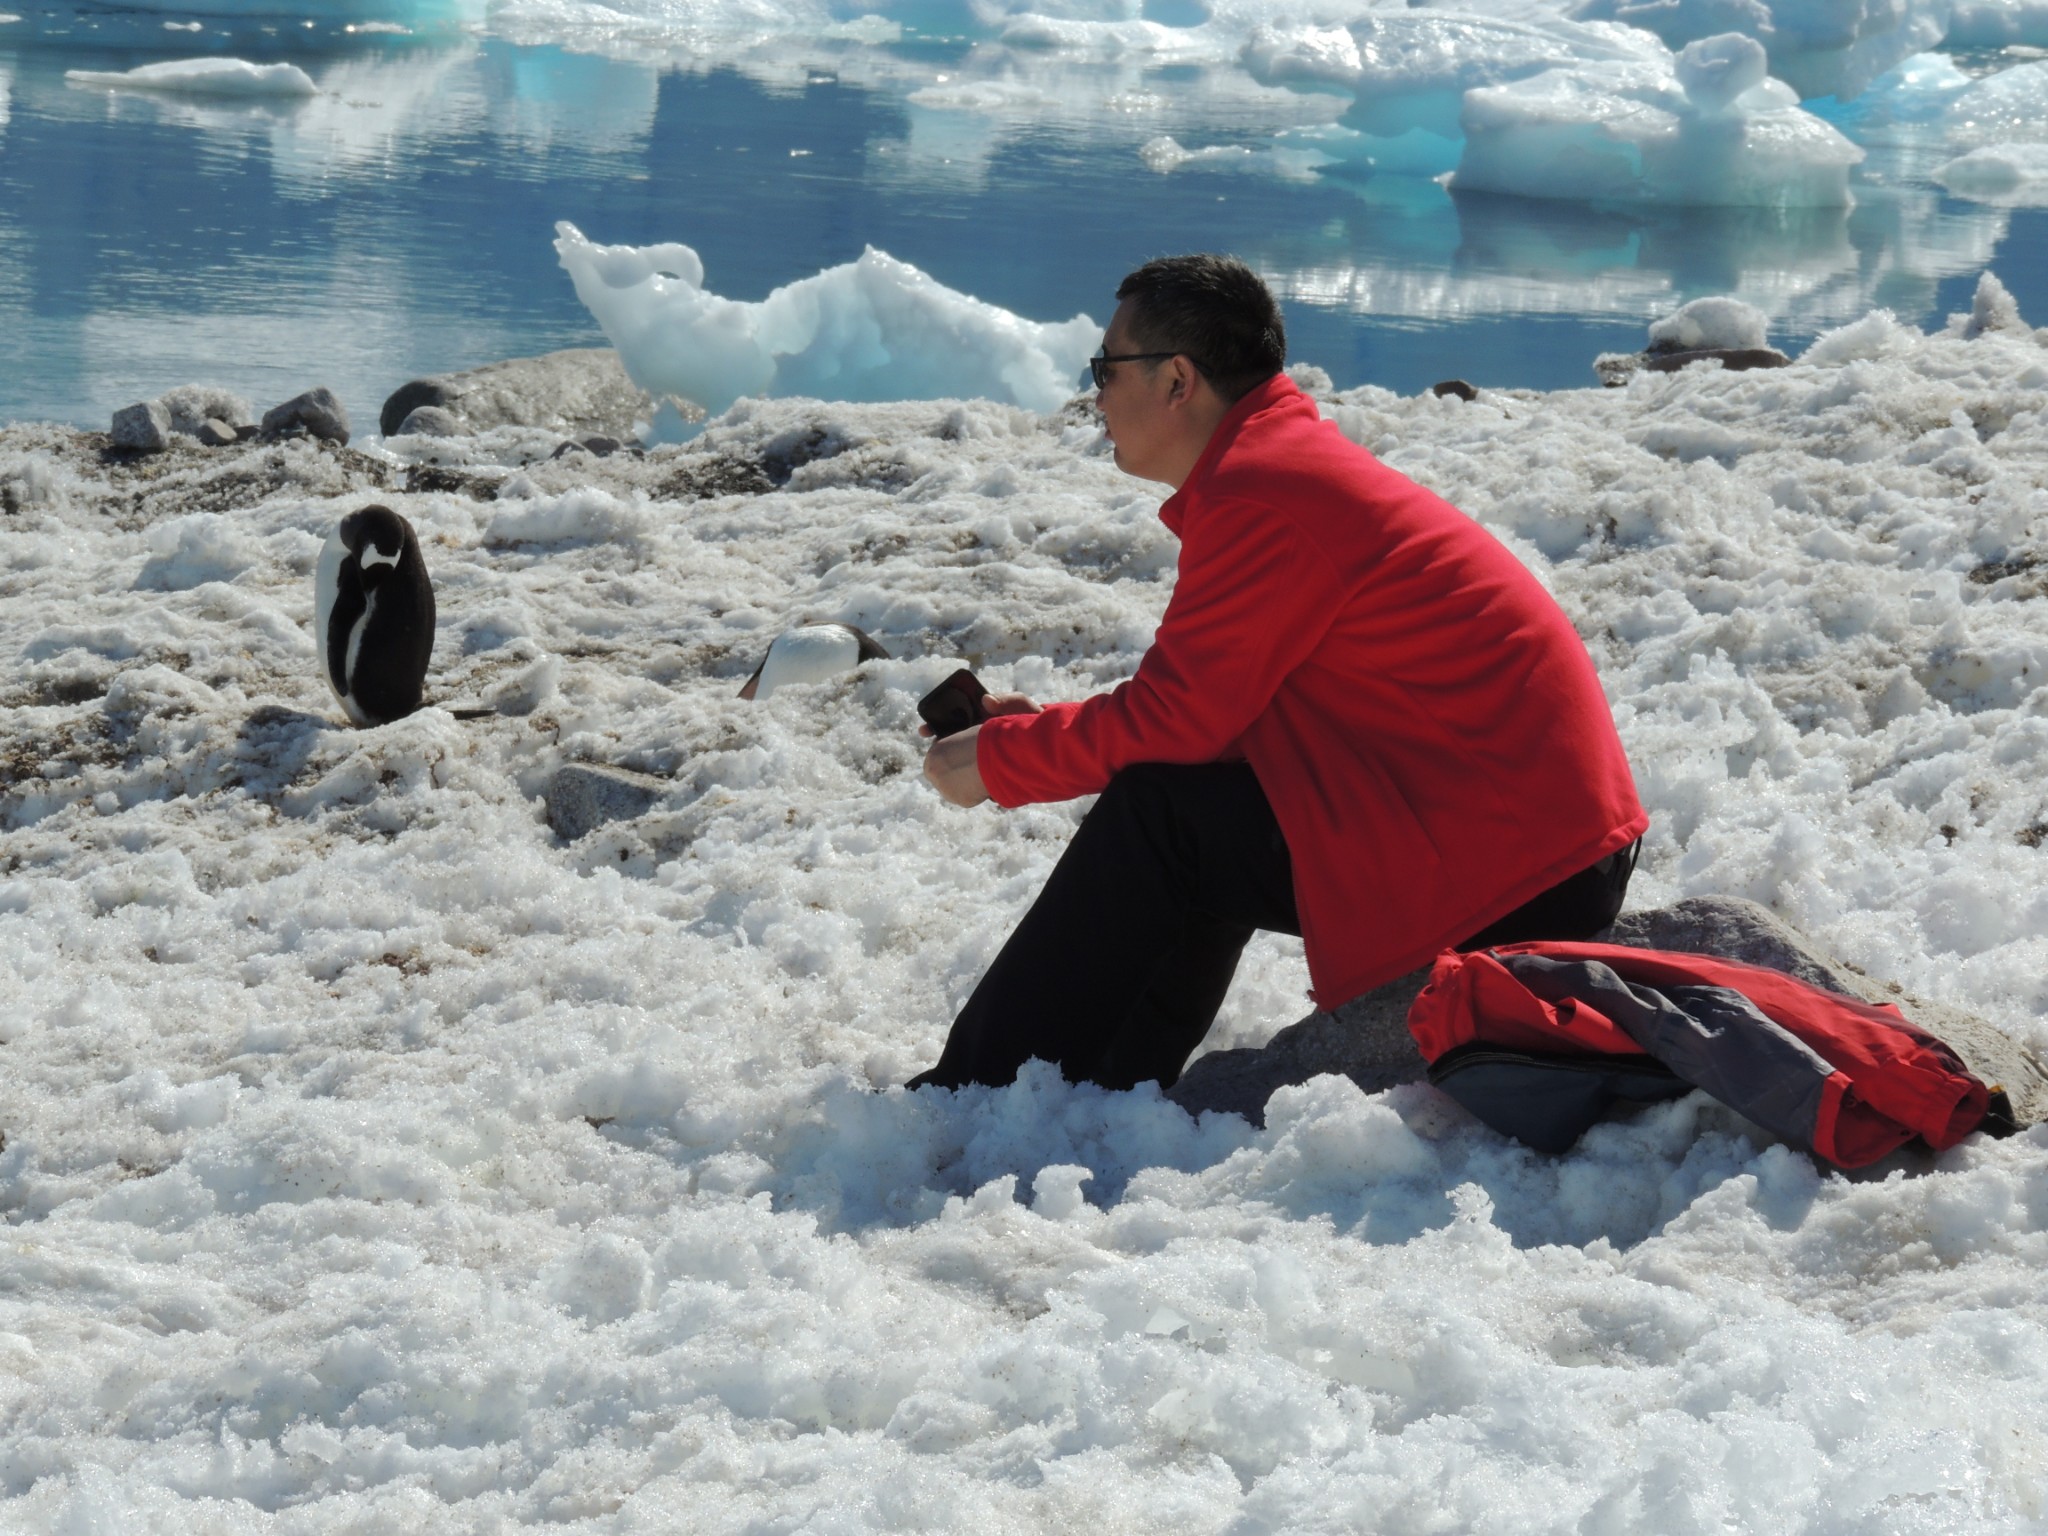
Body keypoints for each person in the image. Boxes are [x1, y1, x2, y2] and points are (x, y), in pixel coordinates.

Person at [910, 254, 1647, 1092]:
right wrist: (1026, 735)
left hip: (1516, 876)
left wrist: (996, 764)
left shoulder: (1260, 492)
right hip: (1531, 846)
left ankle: (981, 1094)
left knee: (1162, 818)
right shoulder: (1279, 466)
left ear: (1178, 379)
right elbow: (1207, 718)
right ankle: (1100, 1080)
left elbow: (1177, 719)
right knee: (1178, 802)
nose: (1096, 394)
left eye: (1106, 368)